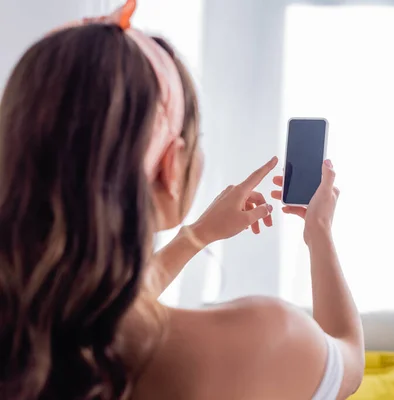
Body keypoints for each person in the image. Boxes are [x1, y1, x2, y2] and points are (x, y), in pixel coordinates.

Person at [0, 1, 364, 399]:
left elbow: (110, 304)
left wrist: (196, 236)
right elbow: (348, 352)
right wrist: (320, 233)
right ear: (170, 165)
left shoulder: (27, 338)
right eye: (197, 141)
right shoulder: (269, 338)